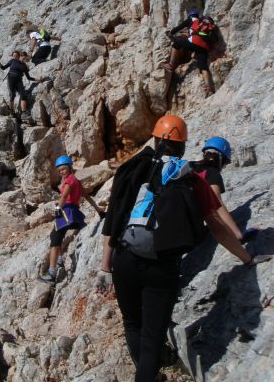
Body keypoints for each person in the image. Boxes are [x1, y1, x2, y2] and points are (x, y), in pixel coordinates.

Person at [96, 115, 271, 382]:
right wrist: (246, 257)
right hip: (162, 267)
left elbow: (115, 217)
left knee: (132, 323)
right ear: (183, 146)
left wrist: (105, 266)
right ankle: (148, 373)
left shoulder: (133, 168)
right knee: (153, 337)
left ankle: (146, 371)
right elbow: (216, 225)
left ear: (155, 140)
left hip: (124, 259)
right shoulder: (192, 178)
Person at [39, 155, 106, 284]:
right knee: (55, 235)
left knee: (55, 239)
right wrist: (99, 211)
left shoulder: (69, 181)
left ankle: (52, 273)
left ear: (70, 168)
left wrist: (57, 209)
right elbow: (87, 197)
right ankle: (59, 260)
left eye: (63, 169)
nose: (61, 172)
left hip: (65, 212)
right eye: (59, 170)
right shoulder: (76, 181)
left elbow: (64, 196)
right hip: (74, 213)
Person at [192, 136, 258, 242]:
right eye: (226, 163)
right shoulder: (212, 173)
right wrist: (238, 235)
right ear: (221, 159)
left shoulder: (190, 165)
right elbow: (216, 203)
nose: (224, 167)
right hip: (187, 229)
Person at [162, 10, 216, 94]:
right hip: (204, 47)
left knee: (176, 44)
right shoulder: (202, 23)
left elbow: (178, 28)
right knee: (203, 67)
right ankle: (208, 86)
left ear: (190, 16)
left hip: (195, 42)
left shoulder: (191, 20)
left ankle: (171, 64)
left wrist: (171, 33)